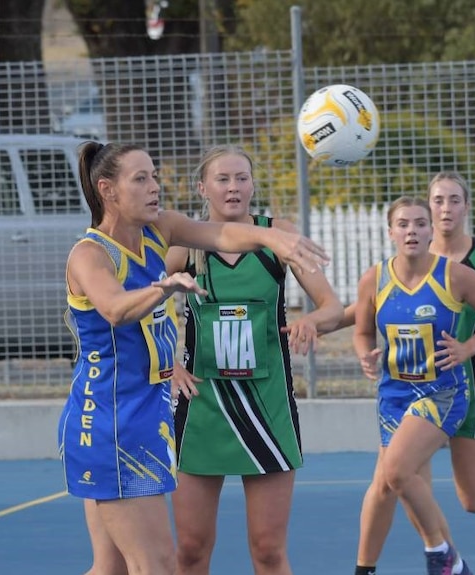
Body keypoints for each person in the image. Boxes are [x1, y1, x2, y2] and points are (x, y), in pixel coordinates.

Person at [57, 141, 329, 575]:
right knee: (158, 565)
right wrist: (164, 289)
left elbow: (220, 233)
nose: (154, 187)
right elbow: (114, 309)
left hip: (145, 413)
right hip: (110, 420)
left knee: (112, 569)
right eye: (140, 179)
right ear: (108, 190)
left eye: (154, 176)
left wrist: (272, 235)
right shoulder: (90, 254)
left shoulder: (158, 231)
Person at [166, 145, 344, 575]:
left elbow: (332, 307)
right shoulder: (187, 244)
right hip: (203, 406)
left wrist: (311, 323)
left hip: (266, 404)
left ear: (252, 185)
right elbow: (146, 305)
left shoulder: (276, 236)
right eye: (223, 179)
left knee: (267, 550)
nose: (233, 187)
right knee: (190, 549)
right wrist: (169, 363)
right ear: (202, 187)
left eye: (241, 178)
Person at [353, 173, 475, 575]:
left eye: (454, 200)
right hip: (406, 389)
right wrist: (333, 331)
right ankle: (440, 560)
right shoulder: (391, 269)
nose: (445, 209)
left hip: (466, 378)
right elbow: (362, 318)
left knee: (473, 498)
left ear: (465, 207)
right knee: (394, 479)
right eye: (438, 201)